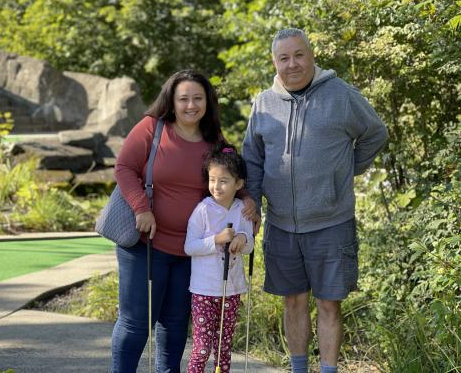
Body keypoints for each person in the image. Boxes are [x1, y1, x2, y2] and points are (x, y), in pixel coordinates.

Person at [242, 28, 388, 373]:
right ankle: (297, 369)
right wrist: (254, 205)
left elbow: (376, 133)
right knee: (293, 302)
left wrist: (344, 170)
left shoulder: (341, 95)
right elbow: (253, 159)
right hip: (282, 225)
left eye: (299, 55)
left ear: (311, 55)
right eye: (283, 58)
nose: (292, 64)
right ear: (275, 62)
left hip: (332, 222)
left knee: (329, 305)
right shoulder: (263, 104)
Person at [111, 69, 256, 373]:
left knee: (175, 323)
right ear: (172, 101)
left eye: (198, 98)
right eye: (184, 98)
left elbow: (231, 176)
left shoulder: (214, 139)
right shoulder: (152, 128)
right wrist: (141, 208)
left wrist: (248, 200)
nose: (191, 105)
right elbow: (124, 168)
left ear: (207, 102)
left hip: (191, 251)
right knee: (137, 322)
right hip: (146, 243)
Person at [184, 143, 254, 373]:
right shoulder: (202, 210)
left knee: (223, 348)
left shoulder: (241, 209)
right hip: (205, 290)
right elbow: (189, 247)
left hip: (231, 290)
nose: (216, 186)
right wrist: (216, 239)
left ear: (239, 184)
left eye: (223, 181)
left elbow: (249, 246)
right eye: (212, 180)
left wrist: (243, 238)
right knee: (202, 348)